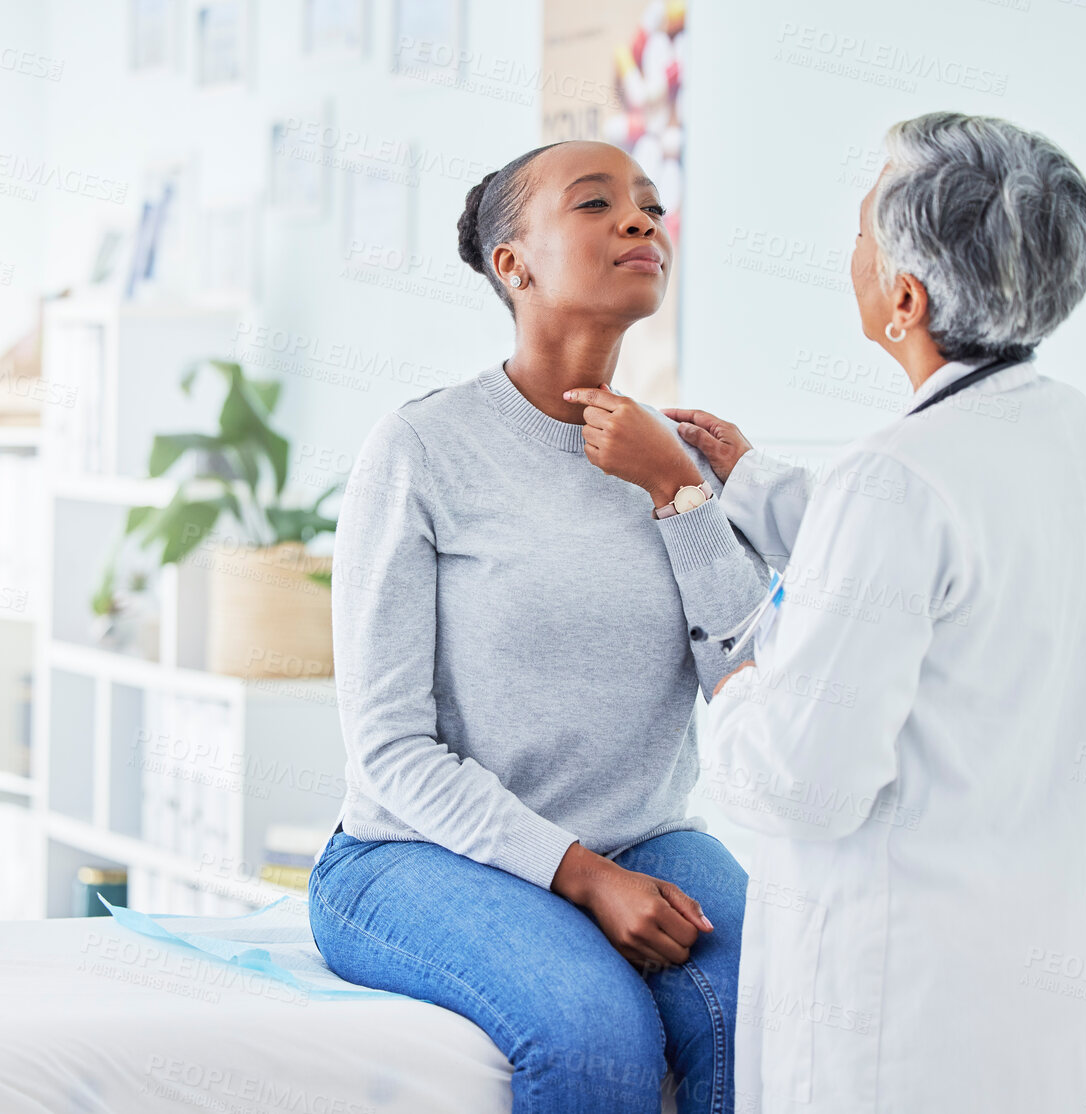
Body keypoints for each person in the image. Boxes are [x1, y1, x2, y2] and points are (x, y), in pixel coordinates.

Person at [570, 111, 1086, 1111]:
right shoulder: (1064, 430)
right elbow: (927, 559)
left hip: (901, 1019)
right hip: (1033, 995)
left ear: (903, 299)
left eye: (861, 233)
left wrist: (742, 678)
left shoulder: (896, 482)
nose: (852, 252)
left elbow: (801, 785)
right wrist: (749, 482)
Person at [307, 139, 771, 1114]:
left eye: (647, 203)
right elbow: (390, 750)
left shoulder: (672, 457)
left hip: (644, 836)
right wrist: (581, 876)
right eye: (596, 203)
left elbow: (749, 681)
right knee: (594, 1033)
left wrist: (676, 492)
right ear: (512, 266)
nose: (640, 220)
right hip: (412, 855)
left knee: (776, 1006)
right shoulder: (422, 449)